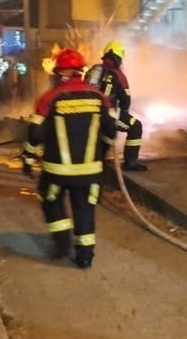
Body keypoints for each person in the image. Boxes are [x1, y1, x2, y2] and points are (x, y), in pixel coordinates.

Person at [23, 49, 116, 269]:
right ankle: (85, 256)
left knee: (51, 201)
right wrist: (100, 154)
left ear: (58, 73)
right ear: (80, 72)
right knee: (85, 209)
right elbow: (110, 132)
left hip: (57, 172)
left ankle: (62, 243)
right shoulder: (100, 97)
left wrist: (28, 159)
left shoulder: (49, 98)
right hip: (90, 172)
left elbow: (35, 134)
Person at [85, 40, 148, 171]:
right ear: (119, 58)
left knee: (102, 137)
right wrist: (122, 113)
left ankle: (96, 161)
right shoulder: (119, 75)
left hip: (88, 113)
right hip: (108, 114)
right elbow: (126, 100)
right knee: (136, 126)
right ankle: (130, 161)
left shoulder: (94, 71)